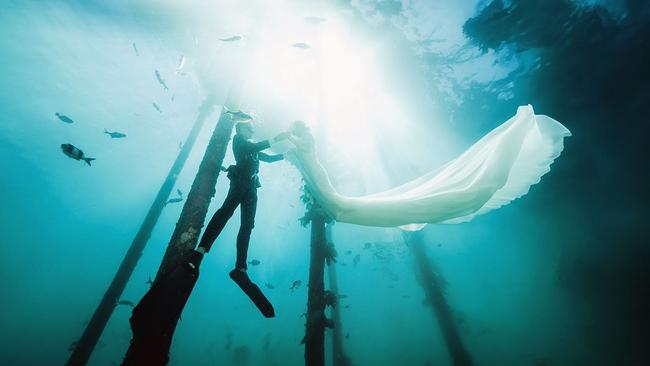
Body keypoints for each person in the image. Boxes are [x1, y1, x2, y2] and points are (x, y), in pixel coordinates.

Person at [187, 122, 289, 284]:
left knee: (247, 225)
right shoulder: (238, 140)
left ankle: (240, 267)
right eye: (250, 129)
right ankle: (199, 252)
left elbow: (268, 159)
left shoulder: (253, 150)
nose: (252, 131)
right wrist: (276, 139)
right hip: (239, 182)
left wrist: (286, 155)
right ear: (241, 129)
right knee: (225, 213)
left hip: (251, 188)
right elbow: (253, 148)